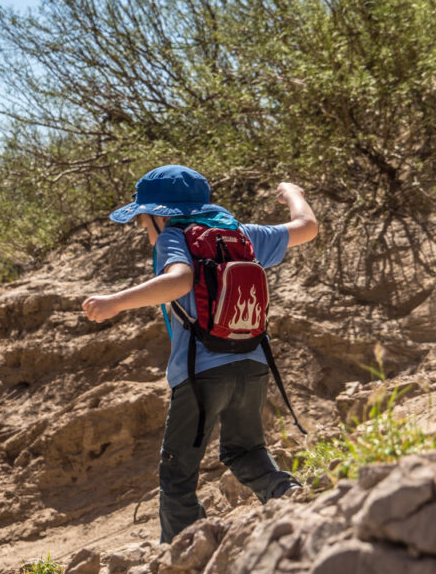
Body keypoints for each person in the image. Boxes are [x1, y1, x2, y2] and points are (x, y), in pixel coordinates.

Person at [82, 164, 318, 544]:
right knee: (246, 451)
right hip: (253, 362)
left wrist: (116, 302)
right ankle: (290, 498)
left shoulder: (172, 237)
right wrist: (293, 193)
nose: (145, 229)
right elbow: (306, 228)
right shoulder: (241, 233)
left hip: (200, 372)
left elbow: (179, 280)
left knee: (178, 474)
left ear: (161, 215)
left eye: (144, 222)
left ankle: (182, 553)